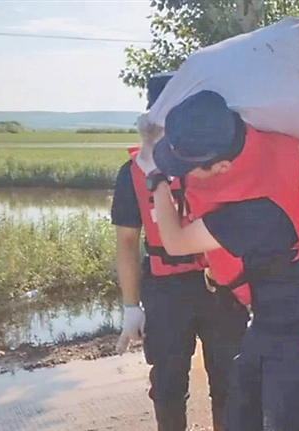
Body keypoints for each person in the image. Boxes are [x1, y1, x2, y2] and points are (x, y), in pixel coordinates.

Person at [134, 89, 299, 431]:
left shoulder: (260, 210)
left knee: (290, 421)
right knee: (243, 415)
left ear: (223, 166)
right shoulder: (273, 139)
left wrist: (157, 180)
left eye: (187, 169)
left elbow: (176, 242)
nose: (182, 175)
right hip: (270, 312)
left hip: (293, 322)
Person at [113, 72, 249, 431]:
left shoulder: (213, 159)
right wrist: (131, 306)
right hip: (165, 291)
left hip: (220, 284)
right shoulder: (132, 173)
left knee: (230, 380)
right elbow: (126, 241)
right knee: (168, 385)